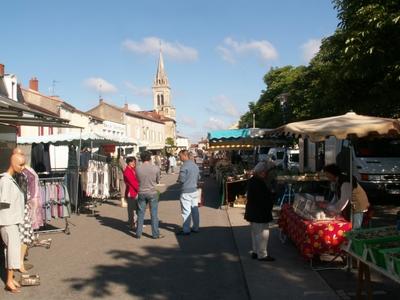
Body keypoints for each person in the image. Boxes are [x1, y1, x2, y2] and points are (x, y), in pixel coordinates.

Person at [0, 154, 26, 293]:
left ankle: (11, 278)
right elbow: (2, 203)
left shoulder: (11, 180)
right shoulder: (5, 181)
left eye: (23, 164)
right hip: (8, 221)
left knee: (11, 251)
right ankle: (9, 281)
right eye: (20, 165)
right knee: (12, 251)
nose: (22, 167)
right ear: (13, 163)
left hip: (12, 221)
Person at [320, 164, 369, 228]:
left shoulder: (345, 183)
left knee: (355, 226)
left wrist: (328, 207)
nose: (326, 176)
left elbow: (342, 203)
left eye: (327, 174)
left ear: (333, 173)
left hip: (358, 205)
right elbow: (336, 197)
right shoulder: (335, 181)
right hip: (351, 204)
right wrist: (329, 204)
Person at [244, 161, 275, 262]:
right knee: (262, 234)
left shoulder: (253, 180)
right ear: (261, 172)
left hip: (253, 211)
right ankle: (262, 254)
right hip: (259, 212)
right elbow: (263, 199)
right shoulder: (258, 182)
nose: (266, 174)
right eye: (265, 172)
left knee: (255, 233)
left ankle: (256, 251)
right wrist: (272, 195)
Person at [135, 151, 163, 239]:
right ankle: (155, 233)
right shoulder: (156, 168)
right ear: (150, 158)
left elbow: (137, 179)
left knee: (140, 213)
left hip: (141, 192)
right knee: (154, 213)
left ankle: (138, 233)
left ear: (141, 158)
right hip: (152, 192)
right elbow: (158, 180)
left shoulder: (137, 168)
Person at [177, 150, 200, 235]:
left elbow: (182, 180)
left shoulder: (184, 166)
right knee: (195, 210)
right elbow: (198, 178)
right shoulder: (195, 165)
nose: (179, 158)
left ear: (184, 155)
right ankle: (196, 227)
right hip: (194, 190)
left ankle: (186, 230)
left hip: (186, 191)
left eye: (180, 156)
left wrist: (179, 180)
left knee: (186, 211)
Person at [123, 157, 139, 231]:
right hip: (131, 191)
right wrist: (139, 189)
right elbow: (132, 182)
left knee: (135, 208)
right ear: (128, 162)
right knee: (131, 209)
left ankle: (135, 223)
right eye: (132, 162)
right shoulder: (127, 171)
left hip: (134, 191)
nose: (133, 163)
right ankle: (132, 224)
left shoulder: (132, 169)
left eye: (134, 162)